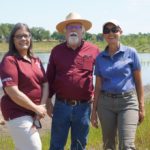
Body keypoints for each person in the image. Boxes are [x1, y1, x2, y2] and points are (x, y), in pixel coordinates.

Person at [46, 12, 100, 150]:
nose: (73, 30)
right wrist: (47, 101)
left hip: (83, 108)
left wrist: (97, 104)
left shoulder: (94, 50)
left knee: (79, 146)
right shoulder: (56, 51)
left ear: (83, 31)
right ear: (65, 31)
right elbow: (49, 78)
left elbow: (101, 77)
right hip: (61, 106)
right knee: (56, 145)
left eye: (77, 26)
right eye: (70, 27)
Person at [91, 19, 145, 150]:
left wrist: (142, 106)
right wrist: (94, 111)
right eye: (106, 31)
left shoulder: (131, 53)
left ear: (120, 32)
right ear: (103, 35)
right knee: (108, 146)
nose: (111, 33)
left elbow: (138, 82)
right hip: (105, 105)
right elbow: (97, 86)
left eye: (114, 29)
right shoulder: (100, 58)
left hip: (128, 102)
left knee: (127, 145)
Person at [0, 23, 49, 150]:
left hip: (33, 111)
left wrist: (41, 107)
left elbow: (45, 83)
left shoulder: (36, 59)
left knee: (23, 146)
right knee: (34, 146)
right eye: (19, 36)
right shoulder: (9, 60)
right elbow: (12, 91)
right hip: (16, 111)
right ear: (13, 40)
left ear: (30, 38)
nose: (23, 39)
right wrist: (36, 108)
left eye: (26, 35)